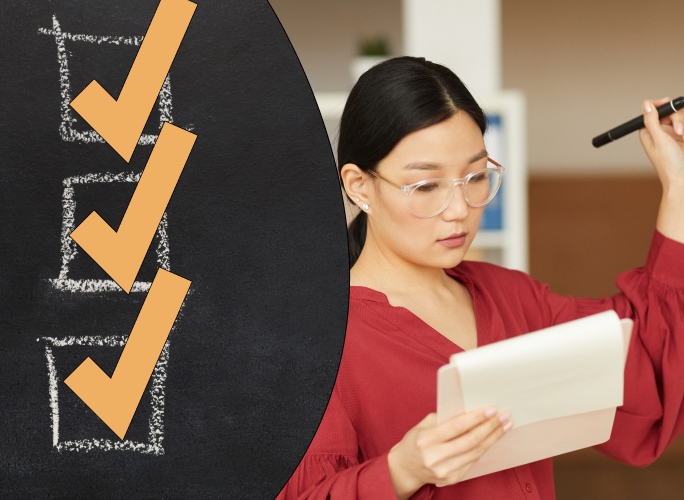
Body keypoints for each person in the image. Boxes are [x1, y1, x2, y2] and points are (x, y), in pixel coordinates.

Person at [276, 56, 684, 499]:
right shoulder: (318, 345)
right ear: (358, 186)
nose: (460, 210)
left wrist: (678, 182)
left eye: (474, 177)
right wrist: (400, 470)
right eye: (426, 186)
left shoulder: (509, 295)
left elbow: (645, 354)